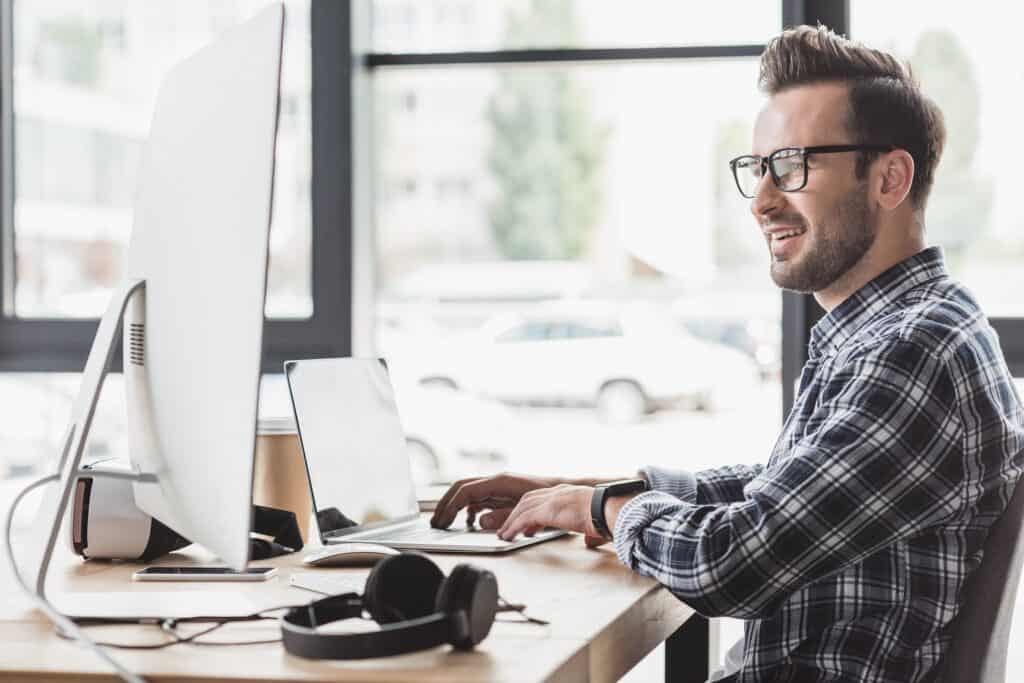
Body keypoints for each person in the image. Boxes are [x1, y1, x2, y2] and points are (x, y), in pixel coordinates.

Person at [430, 25, 1024, 683]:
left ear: (889, 177)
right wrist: (595, 491)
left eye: (794, 165)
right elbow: (786, 490)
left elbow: (735, 560)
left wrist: (599, 510)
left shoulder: (917, 351)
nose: (764, 201)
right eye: (759, 169)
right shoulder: (889, 332)